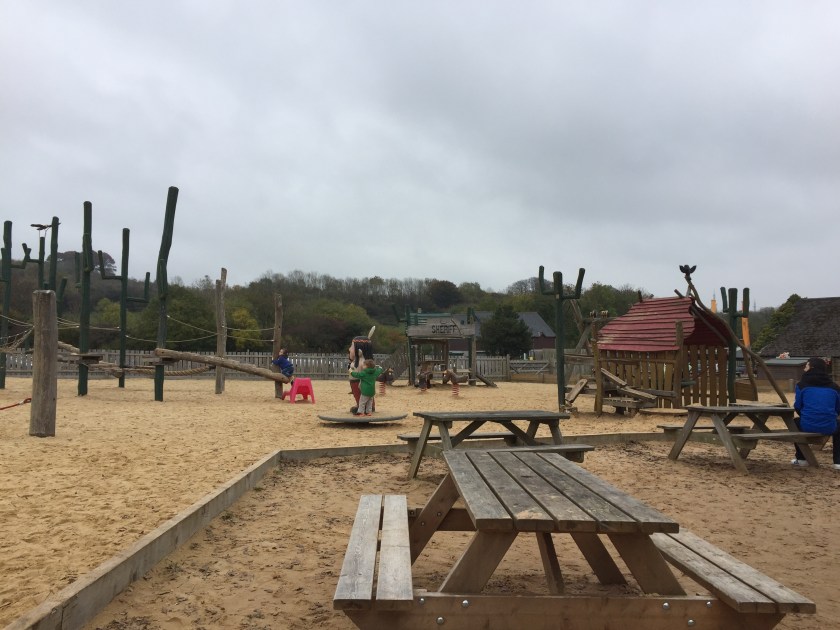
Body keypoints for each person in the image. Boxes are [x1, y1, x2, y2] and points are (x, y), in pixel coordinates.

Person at [791, 357, 840, 469]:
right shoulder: (834, 387)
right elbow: (838, 408)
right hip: (830, 426)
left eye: (806, 366)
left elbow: (797, 406)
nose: (804, 369)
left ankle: (801, 459)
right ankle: (838, 462)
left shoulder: (801, 385)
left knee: (794, 423)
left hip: (807, 425)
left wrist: (807, 416)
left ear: (812, 368)